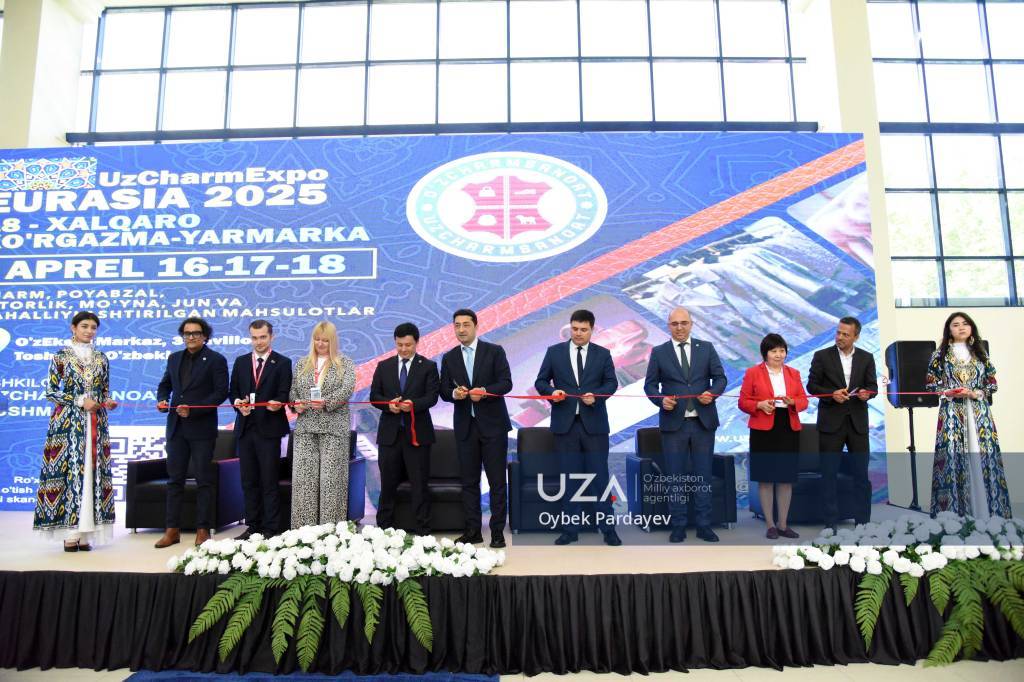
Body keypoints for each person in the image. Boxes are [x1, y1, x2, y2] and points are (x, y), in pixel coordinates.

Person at [534, 309, 620, 546]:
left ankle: (608, 529)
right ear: (570, 328)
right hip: (565, 426)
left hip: (595, 426)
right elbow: (541, 381)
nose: (578, 333)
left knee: (600, 478)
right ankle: (570, 530)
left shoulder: (603, 354)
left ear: (592, 330)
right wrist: (552, 392)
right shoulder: (554, 352)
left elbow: (611, 383)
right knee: (569, 479)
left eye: (583, 329)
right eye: (575, 329)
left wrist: (597, 396)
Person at [33, 311, 118, 551]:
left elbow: (104, 390)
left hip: (96, 422)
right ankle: (70, 533)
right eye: (84, 326)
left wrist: (107, 401)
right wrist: (80, 401)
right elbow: (51, 392)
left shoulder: (101, 357)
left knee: (93, 471)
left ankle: (86, 533)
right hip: (68, 423)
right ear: (73, 328)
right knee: (69, 472)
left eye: (93, 327)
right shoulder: (61, 356)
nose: (89, 331)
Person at [643, 307, 727, 543]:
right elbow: (650, 385)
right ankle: (678, 525)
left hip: (703, 422)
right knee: (675, 478)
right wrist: (661, 400)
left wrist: (712, 393)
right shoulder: (659, 352)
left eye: (684, 323)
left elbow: (720, 378)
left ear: (691, 324)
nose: (679, 328)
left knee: (703, 476)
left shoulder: (706, 348)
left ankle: (704, 525)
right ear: (668, 326)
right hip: (673, 424)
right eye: (674, 324)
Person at [439, 309, 513, 548]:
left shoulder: (494, 351)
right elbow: (443, 390)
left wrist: (486, 392)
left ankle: (497, 531)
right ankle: (473, 530)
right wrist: (454, 393)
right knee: (469, 482)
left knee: (497, 481)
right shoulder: (449, 357)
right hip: (465, 428)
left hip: (493, 427)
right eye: (457, 325)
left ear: (476, 326)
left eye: (466, 325)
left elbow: (506, 383)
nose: (461, 329)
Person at [926, 312, 1010, 519]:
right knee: (953, 459)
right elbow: (931, 384)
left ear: (971, 328)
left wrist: (975, 393)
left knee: (982, 457)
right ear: (949, 330)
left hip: (979, 413)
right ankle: (955, 517)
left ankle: (988, 514)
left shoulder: (980, 353)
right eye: (955, 325)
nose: (961, 327)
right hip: (952, 414)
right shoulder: (939, 355)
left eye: (965, 324)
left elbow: (992, 384)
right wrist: (949, 392)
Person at [155, 317, 229, 548]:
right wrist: (162, 400)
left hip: (202, 429)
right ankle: (172, 530)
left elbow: (220, 393)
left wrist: (194, 410)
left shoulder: (216, 359)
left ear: (205, 336)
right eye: (187, 333)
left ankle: (203, 530)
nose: (191, 337)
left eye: (196, 333)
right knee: (174, 480)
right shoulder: (174, 358)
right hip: (176, 428)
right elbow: (165, 385)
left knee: (203, 480)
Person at [806, 316, 877, 529]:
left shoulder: (866, 357)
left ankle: (863, 522)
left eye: (846, 334)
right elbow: (812, 386)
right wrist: (831, 394)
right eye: (838, 332)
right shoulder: (821, 356)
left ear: (856, 336)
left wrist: (867, 393)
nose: (840, 337)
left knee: (861, 475)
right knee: (828, 475)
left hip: (857, 423)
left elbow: (872, 387)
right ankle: (830, 523)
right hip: (831, 423)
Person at [370, 322, 440, 536]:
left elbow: (432, 397)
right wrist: (388, 405)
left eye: (408, 345)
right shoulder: (384, 366)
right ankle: (384, 529)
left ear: (417, 343)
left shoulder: (428, 366)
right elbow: (374, 397)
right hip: (389, 436)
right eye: (399, 345)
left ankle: (422, 530)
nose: (403, 349)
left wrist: (413, 405)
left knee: (419, 484)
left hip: (417, 435)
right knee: (387, 484)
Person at [738, 334, 809, 539]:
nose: (779, 355)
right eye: (774, 351)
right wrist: (759, 405)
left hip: (787, 426)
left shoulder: (794, 373)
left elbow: (804, 400)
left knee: (786, 478)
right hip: (763, 429)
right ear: (765, 354)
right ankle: (770, 524)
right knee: (766, 478)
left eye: (782, 351)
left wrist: (793, 402)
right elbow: (743, 402)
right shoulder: (753, 373)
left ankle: (783, 524)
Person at [289, 321, 356, 528]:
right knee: (304, 483)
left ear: (333, 341)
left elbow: (347, 389)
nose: (320, 343)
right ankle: (303, 532)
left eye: (325, 340)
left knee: (331, 483)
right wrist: (295, 403)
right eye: (317, 339)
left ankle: (330, 532)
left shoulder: (345, 363)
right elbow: (292, 390)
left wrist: (327, 402)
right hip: (306, 429)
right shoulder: (302, 363)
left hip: (333, 430)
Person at [229, 320, 292, 539]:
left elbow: (284, 392)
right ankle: (253, 526)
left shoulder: (283, 362)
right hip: (245, 428)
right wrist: (238, 403)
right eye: (254, 338)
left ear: (272, 337)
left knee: (269, 480)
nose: (259, 342)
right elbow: (233, 391)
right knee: (248, 481)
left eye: (263, 337)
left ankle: (271, 528)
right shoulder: (241, 362)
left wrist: (278, 403)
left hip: (269, 430)